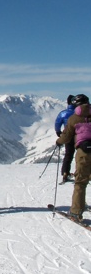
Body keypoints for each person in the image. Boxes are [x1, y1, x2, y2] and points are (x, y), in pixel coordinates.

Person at [56, 93, 91, 221]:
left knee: (80, 183)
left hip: (83, 152)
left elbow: (66, 136)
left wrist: (59, 142)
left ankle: (76, 212)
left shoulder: (74, 118)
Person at [55, 95, 76, 182]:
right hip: (79, 136)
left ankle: (65, 173)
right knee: (82, 155)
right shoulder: (79, 113)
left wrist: (59, 132)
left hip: (68, 136)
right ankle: (82, 173)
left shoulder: (63, 113)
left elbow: (57, 123)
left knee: (68, 155)